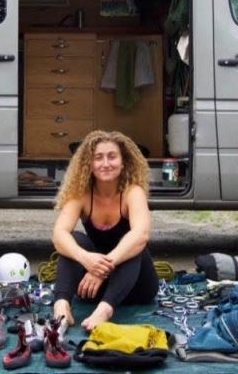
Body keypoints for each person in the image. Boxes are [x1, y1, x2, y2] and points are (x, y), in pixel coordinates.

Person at [51, 130, 158, 331]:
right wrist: (85, 259)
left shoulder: (132, 191)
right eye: (98, 158)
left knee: (134, 245)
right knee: (74, 239)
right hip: (94, 288)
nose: (105, 163)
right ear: (88, 164)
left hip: (136, 287)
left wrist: (101, 269)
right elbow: (59, 234)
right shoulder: (81, 194)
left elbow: (141, 235)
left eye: (112, 156)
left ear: (123, 161)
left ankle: (104, 312)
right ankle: (61, 306)